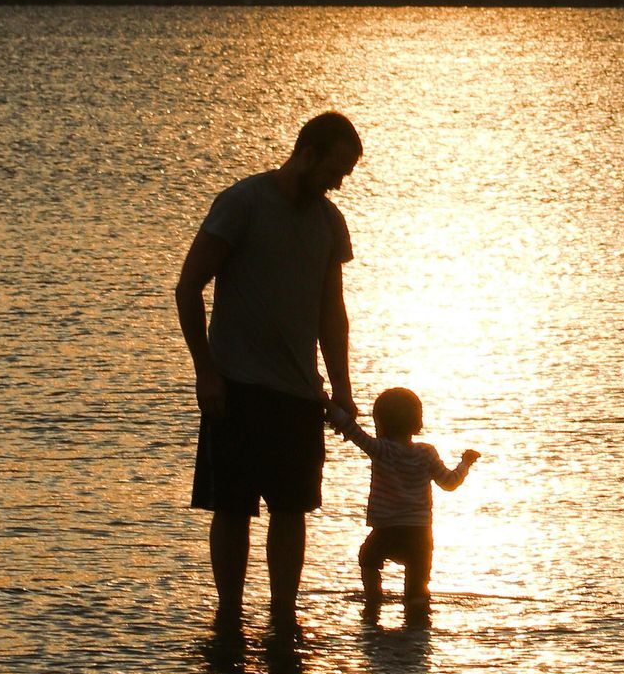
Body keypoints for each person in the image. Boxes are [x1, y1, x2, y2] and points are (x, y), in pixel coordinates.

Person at [176, 110, 362, 630]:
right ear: (307, 153)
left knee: (291, 511)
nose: (338, 181)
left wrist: (343, 389)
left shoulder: (329, 224)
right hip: (234, 388)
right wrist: (206, 372)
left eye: (345, 173)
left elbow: (332, 313)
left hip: (298, 394)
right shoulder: (242, 204)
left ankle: (283, 619)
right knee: (232, 510)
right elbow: (188, 287)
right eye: (335, 168)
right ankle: (229, 617)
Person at [336, 386, 479, 616]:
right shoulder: (426, 453)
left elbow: (351, 430)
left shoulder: (381, 449)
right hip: (420, 535)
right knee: (416, 593)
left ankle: (373, 603)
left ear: (380, 423)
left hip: (386, 530)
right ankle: (418, 632)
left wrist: (327, 405)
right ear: (417, 422)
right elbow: (450, 483)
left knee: (368, 558)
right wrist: (465, 463)